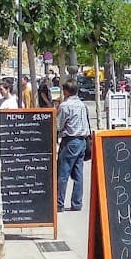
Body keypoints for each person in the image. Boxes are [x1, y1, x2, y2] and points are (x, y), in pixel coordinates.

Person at [55, 80, 92, 212]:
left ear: (66, 91)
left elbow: (58, 125)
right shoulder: (82, 105)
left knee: (63, 173)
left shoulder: (65, 106)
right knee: (78, 174)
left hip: (70, 141)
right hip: (82, 141)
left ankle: (59, 204)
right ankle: (77, 203)